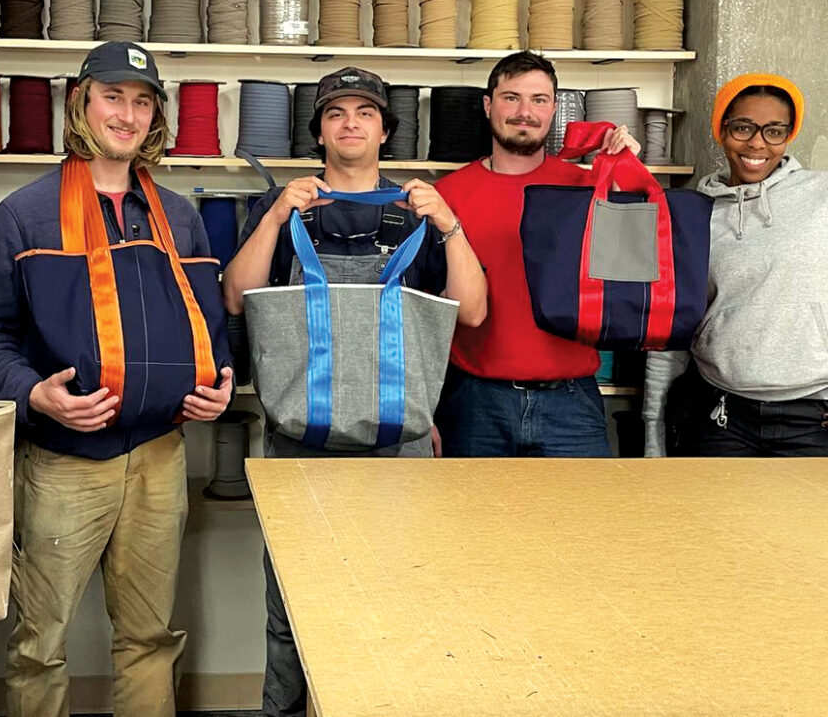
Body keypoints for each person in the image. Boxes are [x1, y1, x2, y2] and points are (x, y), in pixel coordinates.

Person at [0, 42, 233, 717]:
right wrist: (34, 394)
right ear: (80, 103)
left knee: (149, 637)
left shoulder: (178, 217)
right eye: (112, 96)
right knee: (40, 642)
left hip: (159, 458)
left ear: (156, 117)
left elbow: (207, 325)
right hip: (63, 465)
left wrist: (220, 381)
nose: (127, 113)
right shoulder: (20, 217)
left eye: (142, 100)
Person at [222, 65, 486, 717]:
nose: (350, 123)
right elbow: (235, 294)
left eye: (364, 113)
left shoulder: (418, 211)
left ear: (384, 130)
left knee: (396, 604)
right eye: (336, 113)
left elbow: (473, 312)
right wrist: (277, 214)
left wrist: (450, 226)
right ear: (319, 131)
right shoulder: (282, 209)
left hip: (398, 447)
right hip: (298, 443)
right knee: (291, 608)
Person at [433, 51, 640, 458]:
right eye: (511, 98)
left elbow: (634, 269)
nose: (524, 111)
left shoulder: (588, 189)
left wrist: (628, 176)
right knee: (468, 523)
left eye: (538, 100)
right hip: (473, 403)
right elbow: (425, 317)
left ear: (554, 109)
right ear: (488, 105)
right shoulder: (447, 196)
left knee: (580, 522)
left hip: (571, 405)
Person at [643, 74, 828, 457]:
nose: (757, 143)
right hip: (721, 417)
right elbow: (669, 337)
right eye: (743, 127)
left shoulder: (821, 196)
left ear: (789, 135)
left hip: (814, 419)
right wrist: (653, 432)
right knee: (711, 519)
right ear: (722, 130)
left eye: (774, 131)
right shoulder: (693, 216)